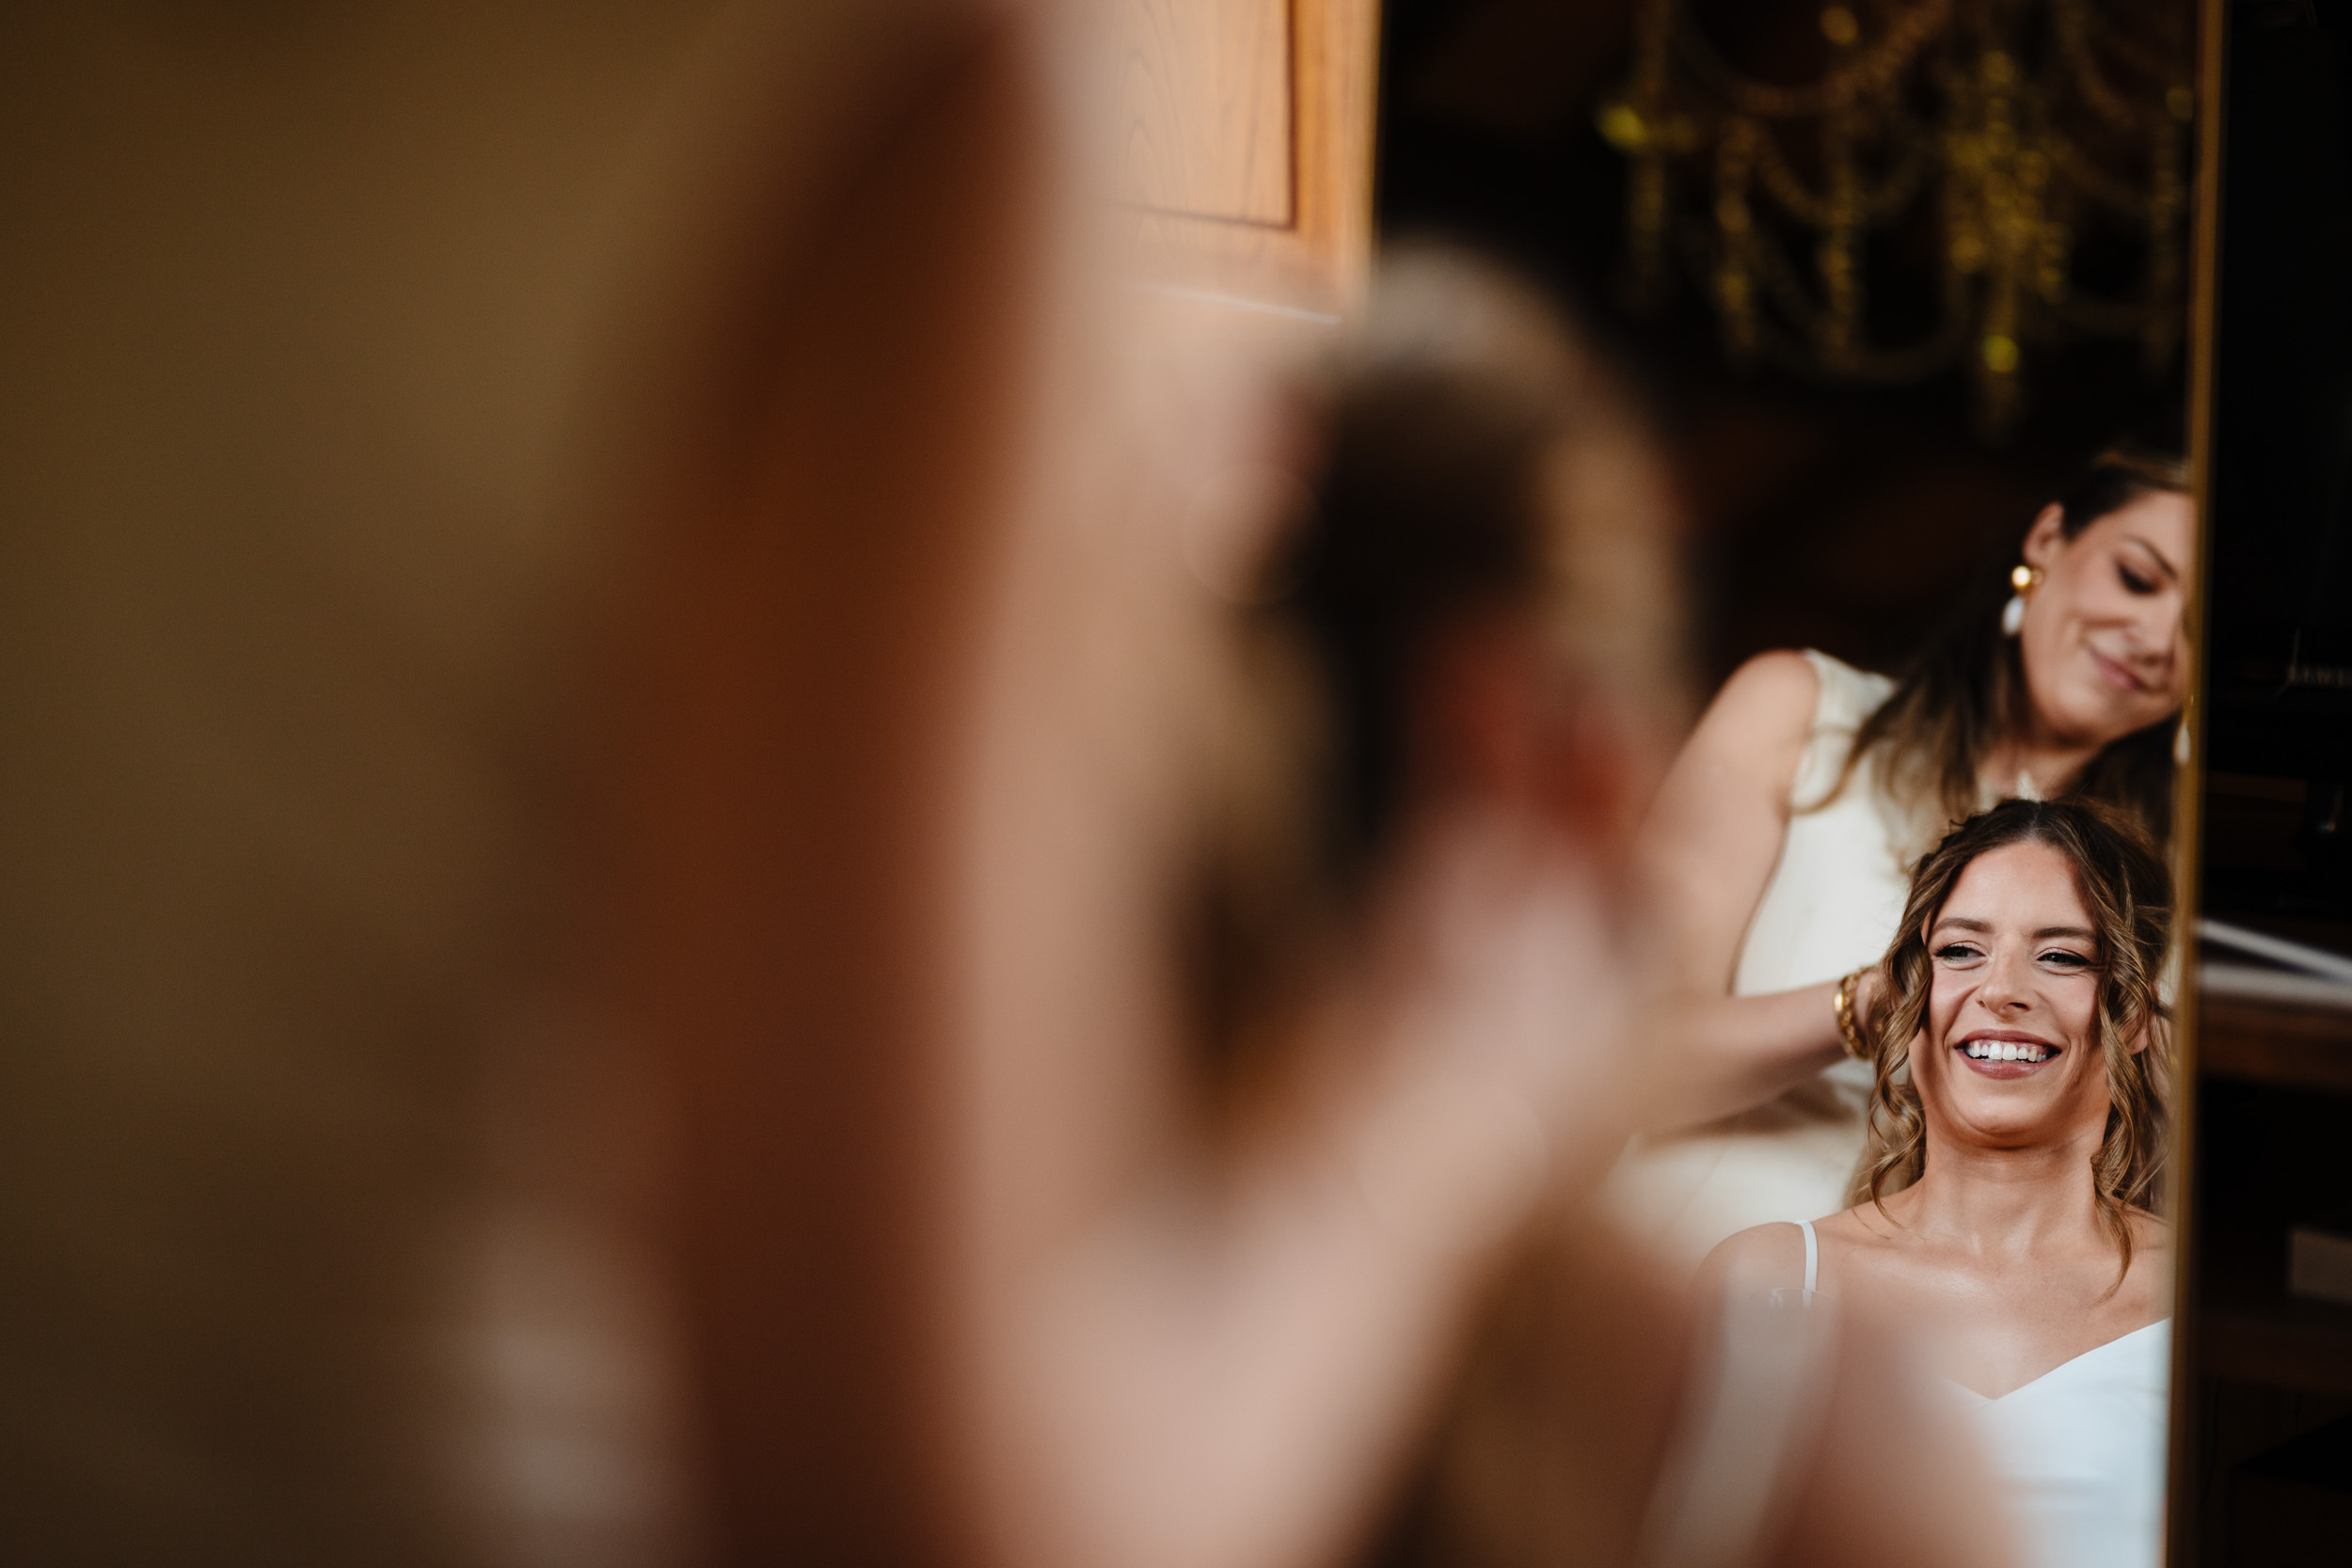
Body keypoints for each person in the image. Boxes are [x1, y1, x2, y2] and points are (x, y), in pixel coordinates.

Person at [1611, 447, 2193, 1268]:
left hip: (1943, 1336)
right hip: (1679, 1256)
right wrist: (1870, 1002)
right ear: (2050, 539)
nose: (2158, 638)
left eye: (2201, 627)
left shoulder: (2170, 877)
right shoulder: (1800, 712)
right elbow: (1620, 1056)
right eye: (2138, 579)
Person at [1702, 797, 2173, 1568]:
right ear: (1908, 1001)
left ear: (2130, 1016)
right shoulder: (1770, 1278)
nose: (2001, 990)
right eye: (1960, 951)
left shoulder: (2186, 1304)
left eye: (2060, 956)